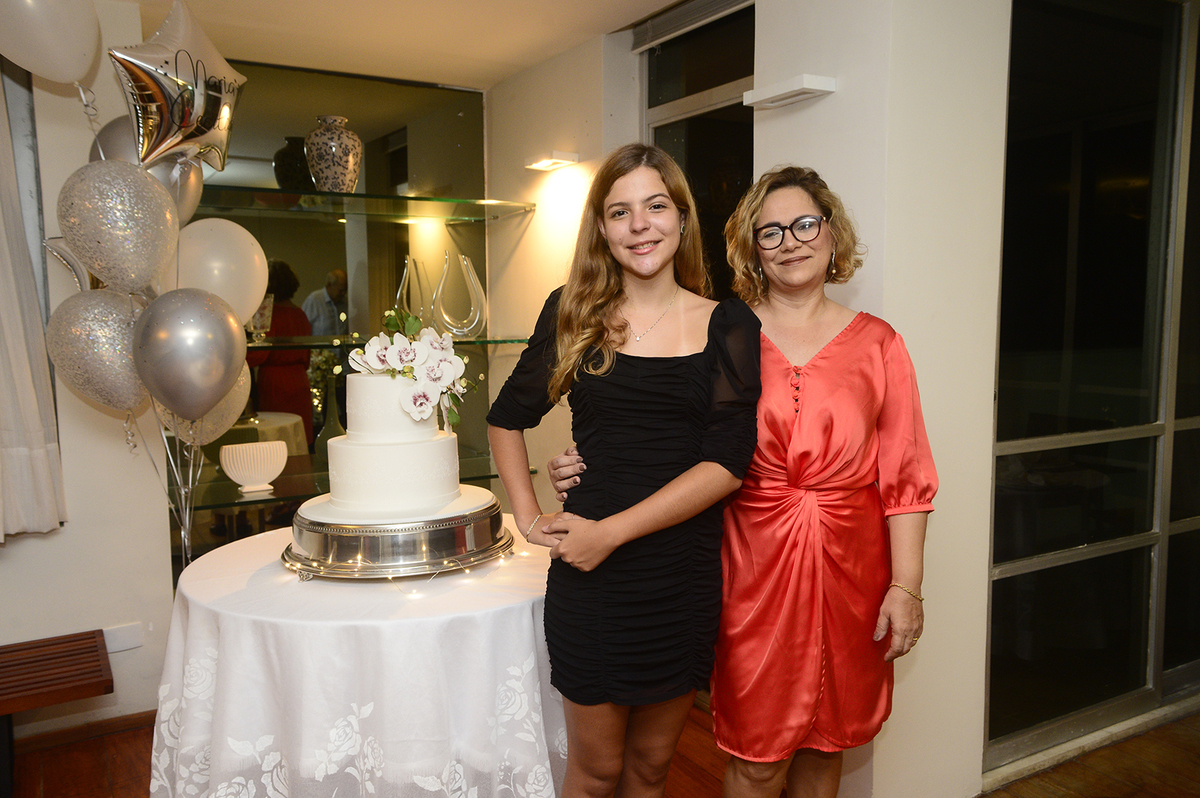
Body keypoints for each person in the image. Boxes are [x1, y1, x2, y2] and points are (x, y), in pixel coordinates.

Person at [550, 165, 937, 798]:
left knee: (828, 747)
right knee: (756, 759)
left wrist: (906, 586)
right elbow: (658, 437)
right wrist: (580, 459)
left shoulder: (880, 344)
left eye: (805, 224)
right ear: (752, 248)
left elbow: (908, 475)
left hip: (852, 570)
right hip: (747, 572)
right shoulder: (724, 333)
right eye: (770, 231)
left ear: (832, 233)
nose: (791, 242)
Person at [486, 143, 761, 798]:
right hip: (591, 583)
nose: (640, 225)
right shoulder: (572, 312)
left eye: (656, 206)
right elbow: (505, 419)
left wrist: (610, 532)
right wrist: (529, 517)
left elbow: (727, 464)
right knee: (595, 773)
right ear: (602, 230)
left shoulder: (729, 325)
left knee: (650, 770)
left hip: (682, 575)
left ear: (682, 218)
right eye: (620, 212)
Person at [247, 260, 314, 445]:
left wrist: (237, 359)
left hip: (275, 382)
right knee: (298, 436)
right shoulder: (300, 314)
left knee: (276, 434)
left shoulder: (270, 315)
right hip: (299, 379)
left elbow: (260, 354)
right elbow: (307, 355)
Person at [302, 268, 348, 336]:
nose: (343, 293)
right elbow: (303, 327)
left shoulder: (345, 302)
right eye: (340, 290)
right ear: (329, 285)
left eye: (345, 290)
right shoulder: (314, 300)